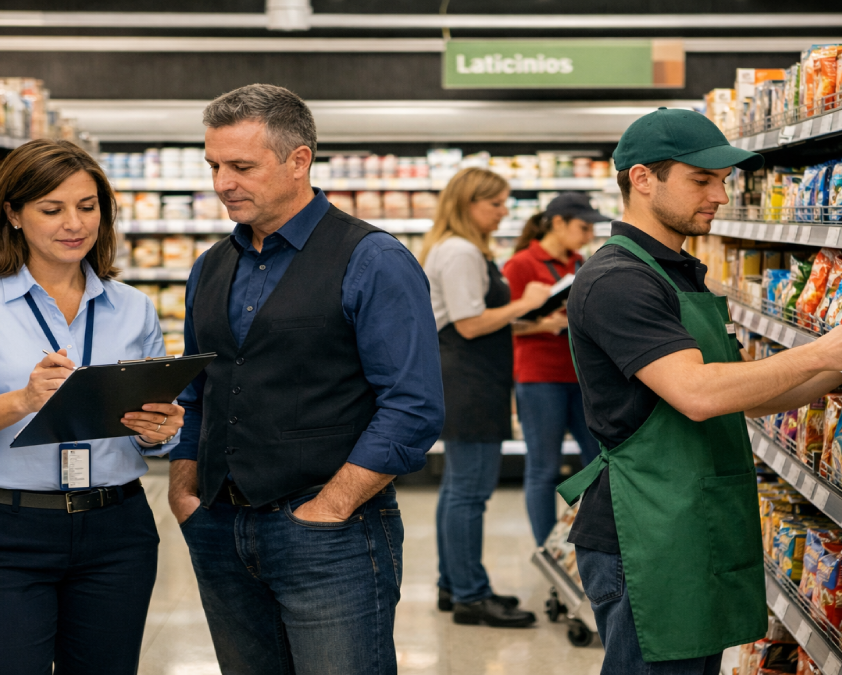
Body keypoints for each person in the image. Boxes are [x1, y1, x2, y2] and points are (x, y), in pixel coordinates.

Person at [557, 108, 842, 674]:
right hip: (647, 531)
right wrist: (820, 350)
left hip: (687, 517)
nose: (720, 195)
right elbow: (698, 392)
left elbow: (748, 390)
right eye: (701, 180)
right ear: (643, 179)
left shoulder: (673, 271)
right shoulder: (618, 279)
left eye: (722, 180)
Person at [167, 84, 444, 675]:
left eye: (241, 166)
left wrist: (330, 508)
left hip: (329, 536)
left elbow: (412, 406)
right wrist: (185, 491)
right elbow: (197, 390)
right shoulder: (211, 265)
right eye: (214, 165)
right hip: (218, 525)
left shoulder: (372, 259)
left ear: (299, 161)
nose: (222, 183)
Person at [0, 139, 184, 674]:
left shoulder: (132, 307)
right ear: (12, 213)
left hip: (115, 531)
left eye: (87, 206)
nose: (73, 224)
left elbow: (144, 427)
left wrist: (158, 430)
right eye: (51, 210)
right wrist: (22, 400)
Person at [421, 167, 549, 628]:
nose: (502, 212)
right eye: (495, 203)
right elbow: (471, 323)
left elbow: (472, 316)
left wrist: (535, 322)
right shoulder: (458, 251)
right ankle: (470, 597)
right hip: (469, 381)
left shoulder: (458, 249)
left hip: (466, 376)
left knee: (457, 489)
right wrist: (528, 302)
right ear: (468, 203)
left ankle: (454, 584)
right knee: (469, 493)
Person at [502, 192, 608, 546]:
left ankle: (592, 539)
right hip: (539, 378)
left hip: (582, 378)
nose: (588, 236)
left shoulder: (580, 262)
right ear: (558, 223)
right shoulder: (521, 264)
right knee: (543, 469)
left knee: (598, 460)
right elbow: (508, 324)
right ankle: (547, 546)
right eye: (582, 227)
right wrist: (544, 325)